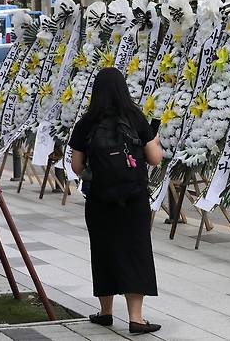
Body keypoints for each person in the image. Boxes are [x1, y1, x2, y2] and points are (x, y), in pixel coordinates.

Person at [69, 67, 163, 334]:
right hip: (134, 200)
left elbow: (76, 166)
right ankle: (136, 318)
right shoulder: (135, 117)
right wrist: (155, 140)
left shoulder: (86, 122)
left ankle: (106, 312)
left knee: (103, 251)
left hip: (100, 200)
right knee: (136, 252)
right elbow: (155, 159)